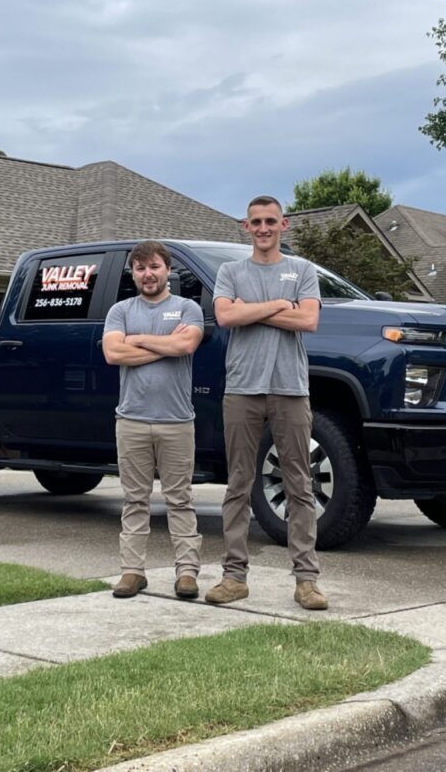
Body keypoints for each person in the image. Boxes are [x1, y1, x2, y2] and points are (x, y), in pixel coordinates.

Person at [205, 195, 327, 610]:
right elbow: (224, 317)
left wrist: (250, 310)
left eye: (270, 221)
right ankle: (234, 576)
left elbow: (308, 320)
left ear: (283, 225)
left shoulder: (303, 271)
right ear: (245, 226)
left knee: (299, 484)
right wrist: (279, 305)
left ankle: (306, 580)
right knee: (239, 483)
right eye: (255, 222)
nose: (262, 228)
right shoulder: (230, 271)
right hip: (242, 388)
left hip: (290, 388)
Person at [103, 240, 205, 600]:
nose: (148, 274)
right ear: (134, 273)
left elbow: (186, 346)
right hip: (131, 420)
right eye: (141, 268)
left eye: (154, 267)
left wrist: (139, 341)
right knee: (135, 499)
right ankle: (132, 572)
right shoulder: (120, 310)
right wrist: (163, 345)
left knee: (180, 499)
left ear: (168, 270)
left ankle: (187, 573)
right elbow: (113, 353)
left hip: (176, 421)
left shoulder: (187, 309)